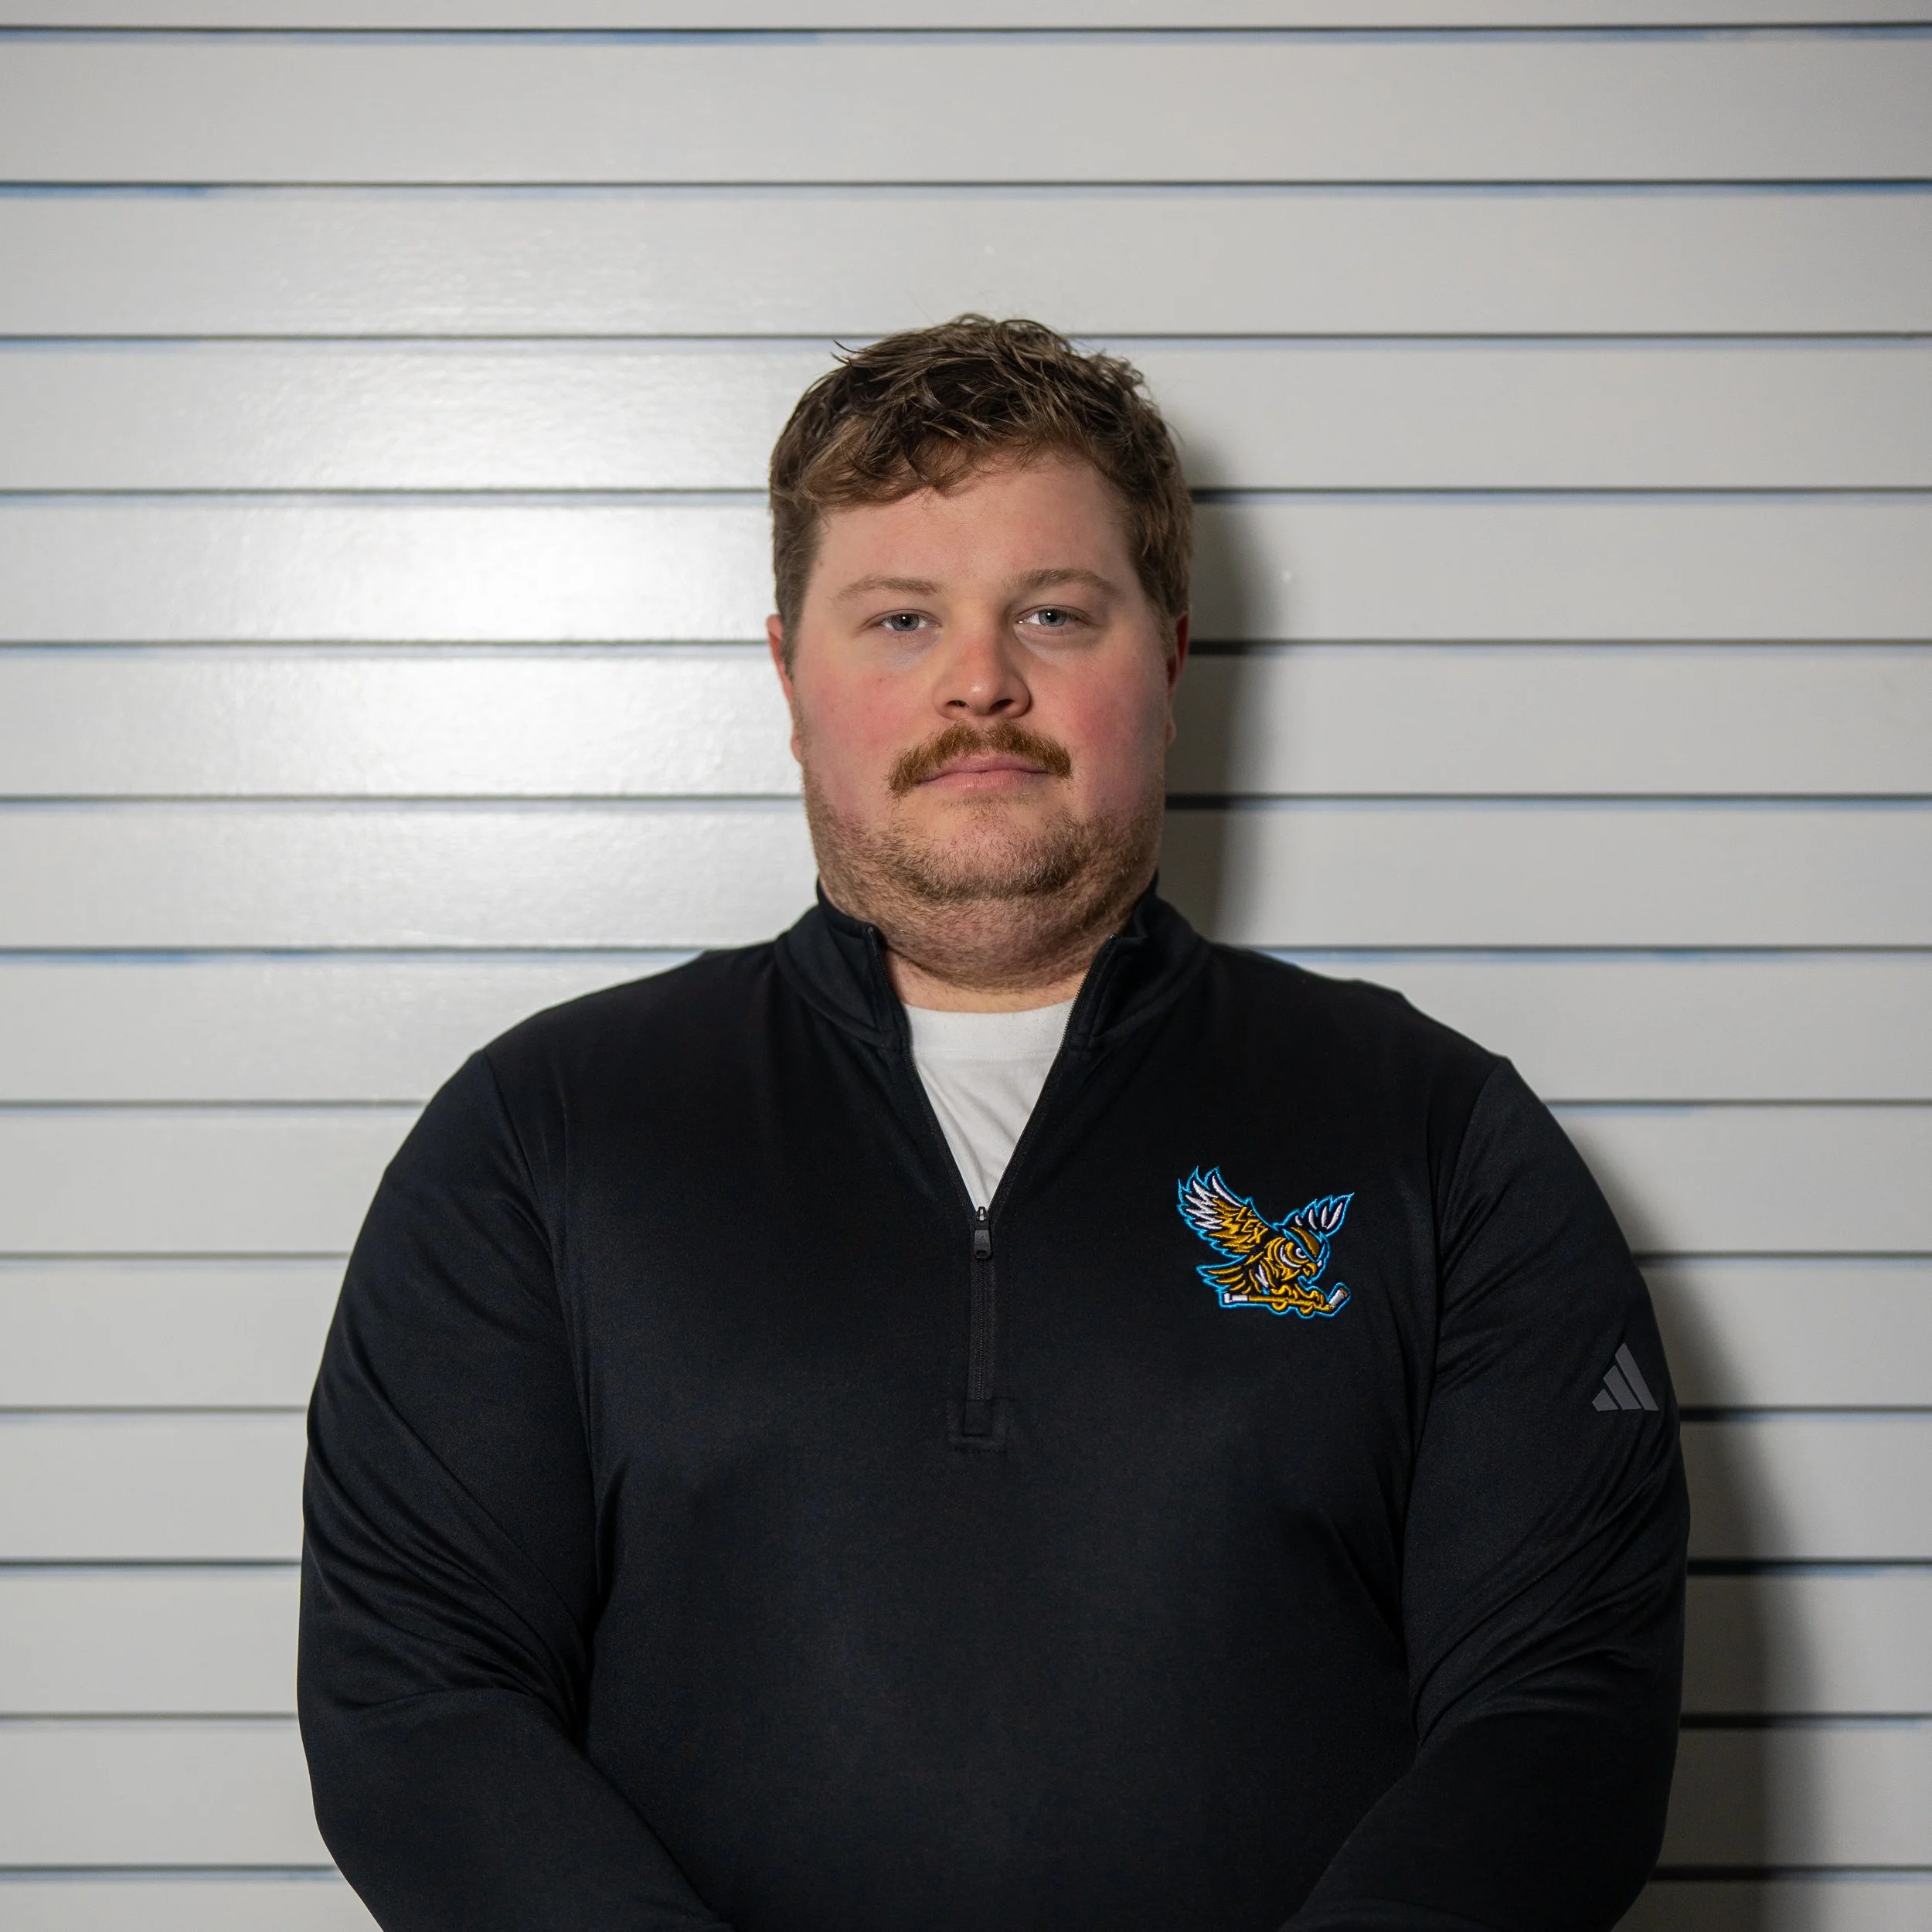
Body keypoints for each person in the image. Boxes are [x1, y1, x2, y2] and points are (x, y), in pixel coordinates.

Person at [300, 317, 1687, 1932]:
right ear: (789, 676)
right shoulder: (539, 1140)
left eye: (1052, 612)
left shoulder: (1437, 1136)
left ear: (1168, 659)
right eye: (901, 618)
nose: (980, 679)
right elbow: (420, 1704)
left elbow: (1558, 1713)